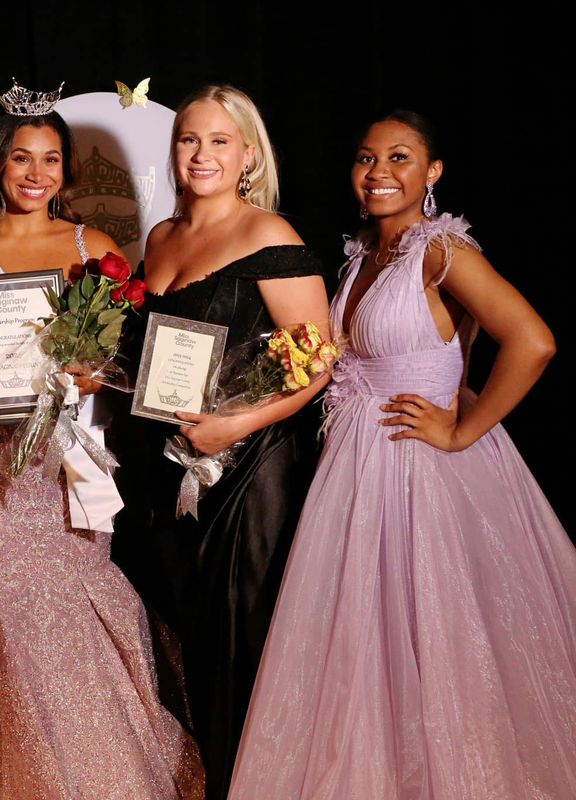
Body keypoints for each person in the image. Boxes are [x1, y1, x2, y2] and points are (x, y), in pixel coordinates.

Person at [229, 111, 576, 799]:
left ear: (432, 172)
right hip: (353, 473)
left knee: (436, 642)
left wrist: (460, 429)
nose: (378, 172)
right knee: (364, 650)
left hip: (421, 474)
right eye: (365, 159)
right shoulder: (361, 253)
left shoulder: (442, 252)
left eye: (399, 158)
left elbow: (534, 340)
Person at [0, 86, 204, 800]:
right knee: (2, 601)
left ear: (65, 172)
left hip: (68, 465)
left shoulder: (93, 249)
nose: (36, 173)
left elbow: (119, 376)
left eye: (50, 159)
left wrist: (91, 377)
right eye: (21, 158)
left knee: (75, 605)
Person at [108, 84, 331, 800]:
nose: (201, 154)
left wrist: (236, 426)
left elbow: (319, 365)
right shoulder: (161, 239)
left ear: (247, 156)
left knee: (240, 642)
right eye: (189, 140)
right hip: (164, 469)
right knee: (183, 639)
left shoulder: (272, 235)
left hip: (249, 471)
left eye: (218, 142)